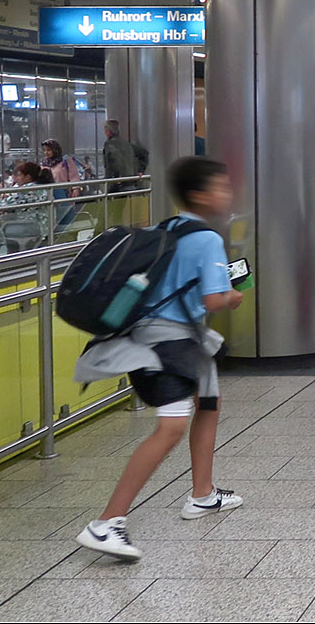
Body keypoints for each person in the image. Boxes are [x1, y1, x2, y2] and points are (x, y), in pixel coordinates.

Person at [72, 157, 245, 562]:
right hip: (167, 345)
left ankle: (202, 494)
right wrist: (235, 295)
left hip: (180, 337)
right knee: (170, 428)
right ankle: (106, 522)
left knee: (209, 403)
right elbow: (214, 299)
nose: (227, 194)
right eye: (221, 187)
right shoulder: (207, 239)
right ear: (200, 194)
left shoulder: (166, 227)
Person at [0, 160, 56, 241]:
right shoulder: (44, 189)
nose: (16, 179)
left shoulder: (25, 190)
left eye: (19, 175)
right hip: (46, 230)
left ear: (28, 177)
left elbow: (2, 206)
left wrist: (1, 198)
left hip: (28, 230)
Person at [103, 120, 144, 192]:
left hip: (117, 185)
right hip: (130, 182)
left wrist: (115, 176)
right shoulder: (127, 144)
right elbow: (144, 153)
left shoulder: (109, 144)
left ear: (109, 131)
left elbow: (114, 159)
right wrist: (140, 170)